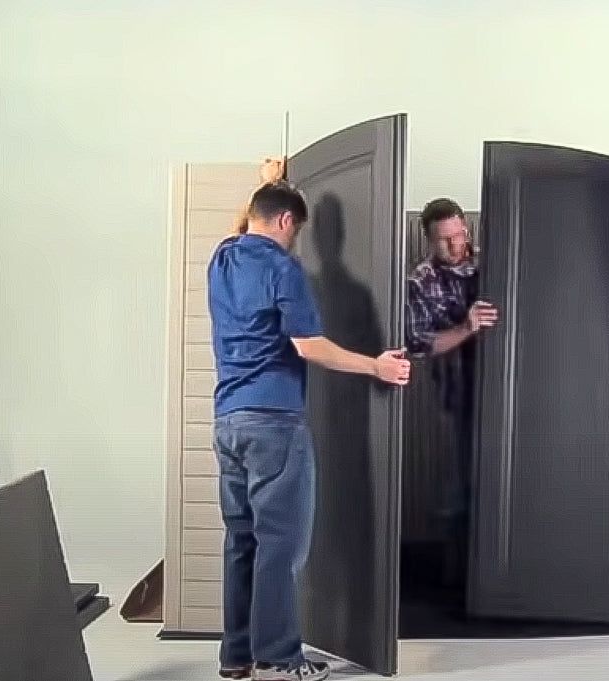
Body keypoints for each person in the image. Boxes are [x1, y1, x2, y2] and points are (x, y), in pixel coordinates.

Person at [208, 157, 411, 681]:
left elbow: (247, 220)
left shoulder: (223, 257)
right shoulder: (282, 268)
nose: (295, 240)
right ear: (284, 222)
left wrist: (270, 183)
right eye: (294, 229)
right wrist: (376, 365)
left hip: (228, 422)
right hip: (274, 420)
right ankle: (277, 659)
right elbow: (308, 345)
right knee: (281, 546)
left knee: (242, 542)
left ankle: (237, 658)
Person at [404, 197, 498, 591]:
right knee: (461, 492)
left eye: (459, 235)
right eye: (444, 240)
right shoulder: (420, 281)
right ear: (428, 240)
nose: (455, 245)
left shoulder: (497, 262)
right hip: (459, 399)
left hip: (506, 399)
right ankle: (461, 588)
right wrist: (466, 327)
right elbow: (418, 344)